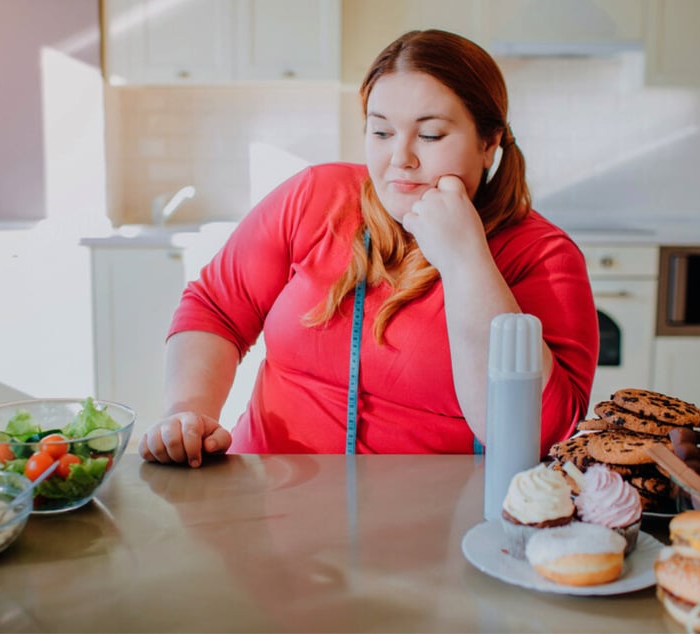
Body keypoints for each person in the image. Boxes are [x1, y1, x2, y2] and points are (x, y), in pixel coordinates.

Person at [139, 29, 598, 467]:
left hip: (437, 531)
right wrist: (188, 411)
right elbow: (217, 308)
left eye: (431, 134)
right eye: (381, 132)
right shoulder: (317, 197)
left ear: (489, 142)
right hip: (264, 499)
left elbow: (537, 434)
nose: (401, 158)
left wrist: (466, 262)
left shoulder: (542, 257)